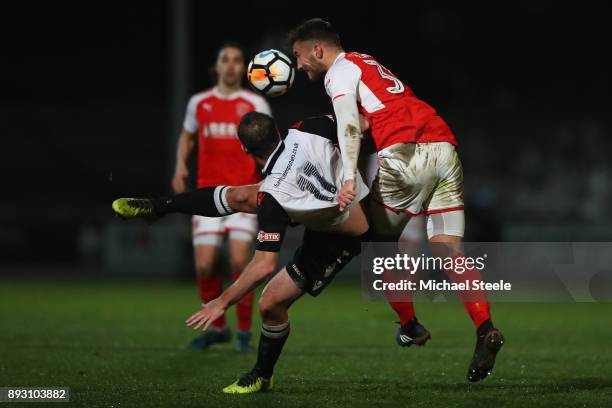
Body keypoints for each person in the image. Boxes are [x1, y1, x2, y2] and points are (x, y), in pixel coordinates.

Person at [289, 18, 504, 382]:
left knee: (376, 243)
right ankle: (485, 328)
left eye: (298, 56)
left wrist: (346, 177)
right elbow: (373, 115)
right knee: (450, 249)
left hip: (405, 152)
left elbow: (349, 125)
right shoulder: (366, 61)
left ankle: (409, 325)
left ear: (317, 49)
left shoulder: (338, 72)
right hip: (443, 144)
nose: (298, 65)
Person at [113, 112, 370, 394]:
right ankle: (158, 207)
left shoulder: (273, 197)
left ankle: (262, 375)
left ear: (244, 148)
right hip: (350, 205)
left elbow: (262, 266)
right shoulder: (308, 128)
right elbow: (361, 121)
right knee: (239, 196)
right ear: (278, 131)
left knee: (270, 302)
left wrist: (221, 302)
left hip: (338, 237)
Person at [172, 42, 271, 351]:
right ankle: (217, 328)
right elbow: (187, 136)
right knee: (204, 266)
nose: (230, 65)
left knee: (240, 261)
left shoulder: (255, 102)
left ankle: (243, 332)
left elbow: (269, 143)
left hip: (243, 195)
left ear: (243, 68)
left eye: (236, 60)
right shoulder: (199, 103)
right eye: (225, 60)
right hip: (207, 197)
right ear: (217, 67)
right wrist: (179, 168)